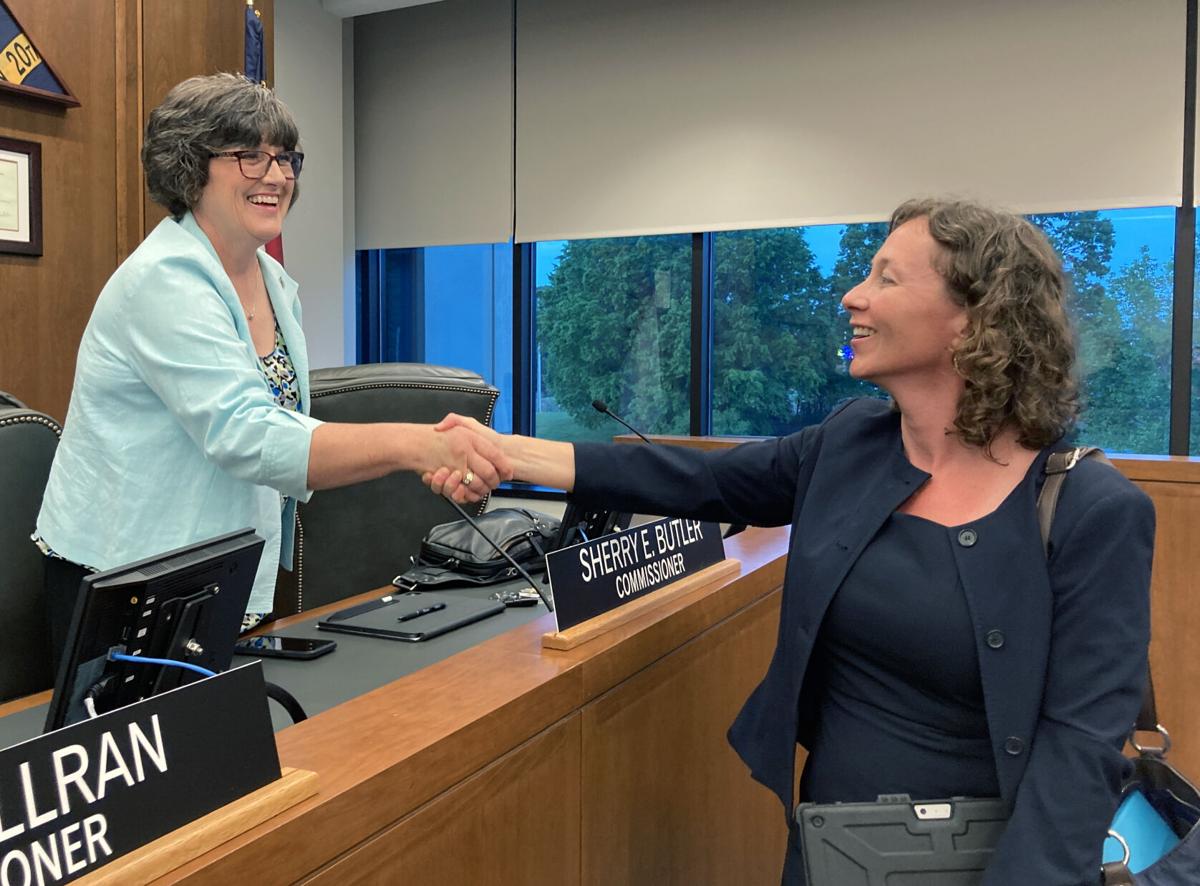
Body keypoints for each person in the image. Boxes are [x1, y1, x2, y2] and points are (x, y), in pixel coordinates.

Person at [425, 198, 1155, 884]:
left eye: (885, 278)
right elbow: (697, 481)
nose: (852, 295)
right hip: (831, 850)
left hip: (992, 864)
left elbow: (1080, 748)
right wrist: (510, 454)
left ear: (971, 320)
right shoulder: (850, 442)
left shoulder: (1091, 509)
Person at [36, 73, 510, 665]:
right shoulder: (164, 279)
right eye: (251, 155)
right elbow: (248, 434)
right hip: (127, 579)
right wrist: (416, 446)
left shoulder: (275, 283)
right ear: (191, 165)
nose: (279, 175)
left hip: (219, 570)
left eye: (286, 157)